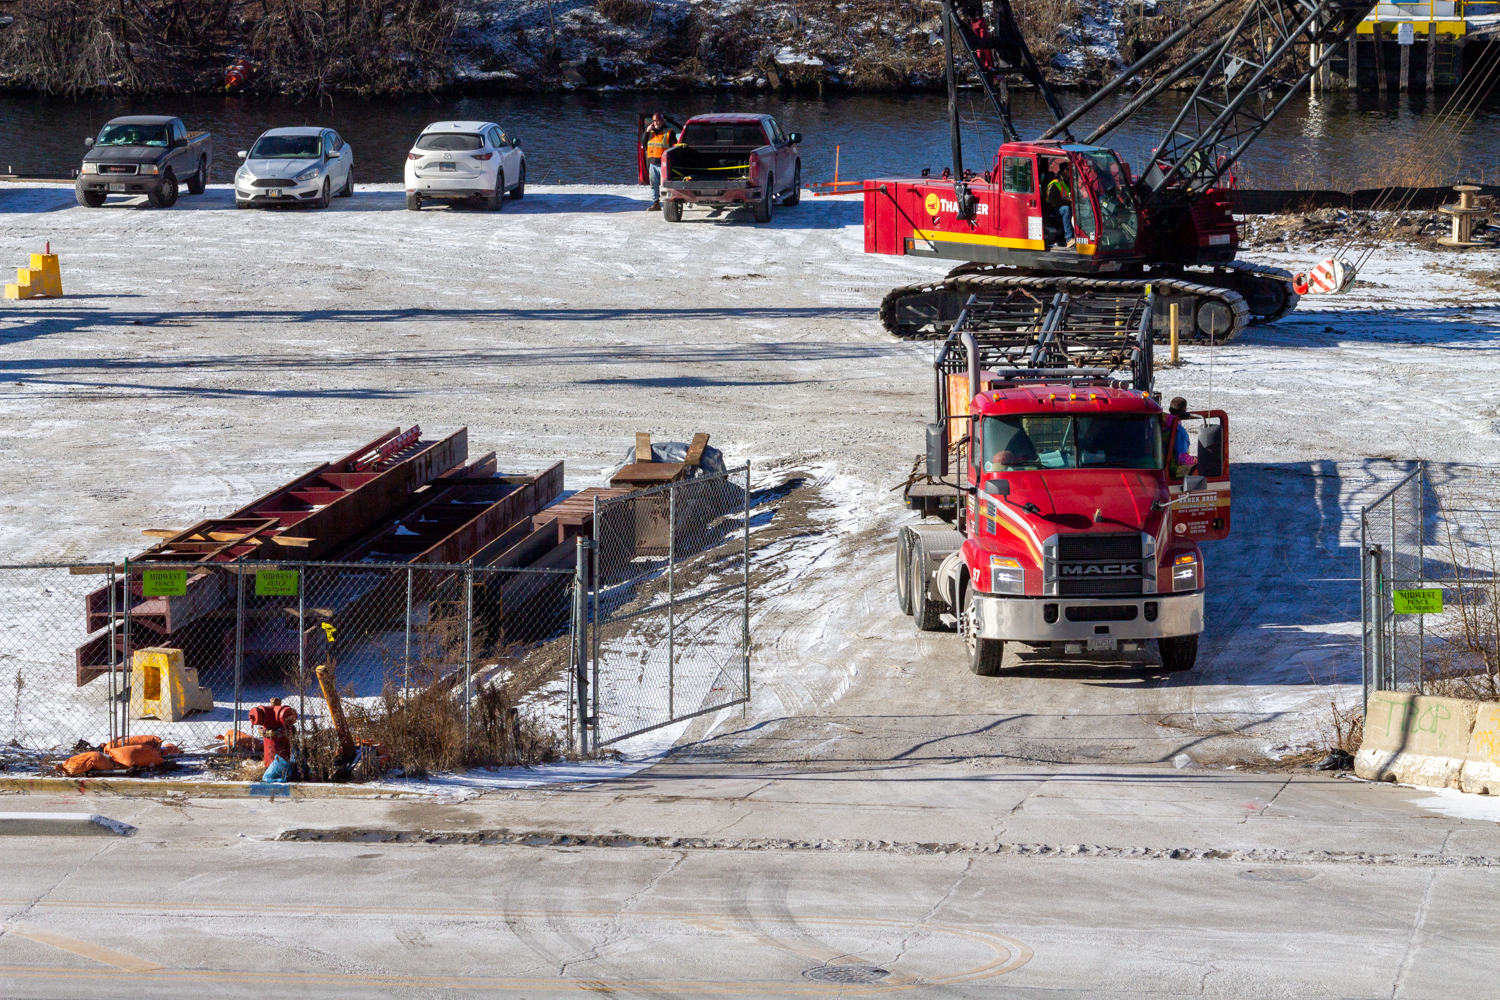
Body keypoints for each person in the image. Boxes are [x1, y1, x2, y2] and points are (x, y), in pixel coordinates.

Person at [643, 112, 675, 212]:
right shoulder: (650, 133)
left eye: (657, 121)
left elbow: (674, 148)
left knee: (666, 185)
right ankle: (656, 203)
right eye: (654, 121)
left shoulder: (669, 132)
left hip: (663, 164)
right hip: (652, 163)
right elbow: (643, 142)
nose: (655, 123)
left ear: (662, 121)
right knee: (654, 184)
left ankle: (670, 204)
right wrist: (647, 131)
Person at [1045, 160, 1075, 249]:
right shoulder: (1055, 183)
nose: (1070, 171)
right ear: (1063, 171)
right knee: (1066, 209)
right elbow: (1053, 201)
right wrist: (1069, 203)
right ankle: (1069, 239)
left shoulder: (1070, 181)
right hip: (1052, 209)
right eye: (1068, 169)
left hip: (1063, 206)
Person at [1164, 397, 1196, 478]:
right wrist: (1195, 459)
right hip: (1174, 473)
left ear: (1169, 410)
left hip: (1161, 468)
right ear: (1185, 412)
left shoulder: (1159, 426)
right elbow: (1181, 458)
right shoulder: (1179, 432)